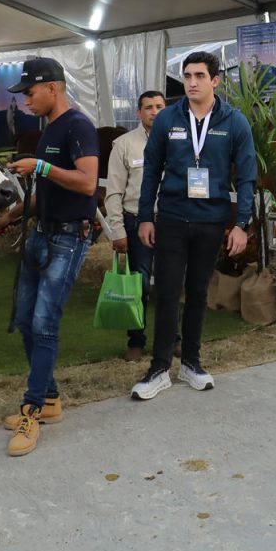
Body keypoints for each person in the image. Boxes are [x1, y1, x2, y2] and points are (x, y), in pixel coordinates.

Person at [132, 51, 256, 400]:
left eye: (199, 76)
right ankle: (158, 369)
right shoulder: (167, 119)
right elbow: (151, 171)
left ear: (215, 80)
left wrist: (241, 224)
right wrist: (145, 216)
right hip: (171, 217)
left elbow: (247, 178)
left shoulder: (234, 122)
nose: (191, 82)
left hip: (211, 221)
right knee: (168, 292)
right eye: (187, 76)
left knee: (199, 293)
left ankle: (191, 363)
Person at [0, 58, 99, 457]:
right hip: (41, 234)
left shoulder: (78, 126)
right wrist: (15, 214)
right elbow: (50, 192)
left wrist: (41, 165)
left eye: (29, 92)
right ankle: (50, 399)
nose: (25, 99)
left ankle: (32, 409)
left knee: (44, 323)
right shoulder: (49, 129)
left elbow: (88, 182)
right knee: (24, 318)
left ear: (52, 88)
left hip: (69, 239)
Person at [103, 90, 167, 361]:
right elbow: (114, 192)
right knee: (138, 285)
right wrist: (117, 231)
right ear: (138, 113)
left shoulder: (180, 141)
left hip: (171, 222)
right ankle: (136, 342)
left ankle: (171, 340)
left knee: (170, 284)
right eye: (149, 107)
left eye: (160, 106)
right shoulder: (124, 145)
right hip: (136, 222)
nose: (155, 112)